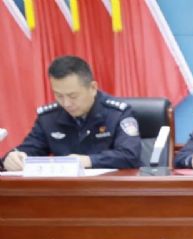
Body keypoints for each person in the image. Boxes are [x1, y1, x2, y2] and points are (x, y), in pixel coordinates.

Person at [1, 55, 141, 171]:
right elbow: (29, 150)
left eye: (73, 96)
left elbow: (130, 155)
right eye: (59, 96)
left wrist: (88, 160)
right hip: (65, 192)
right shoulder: (49, 118)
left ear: (93, 88)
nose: (66, 103)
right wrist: (12, 158)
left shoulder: (117, 113)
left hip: (109, 190)